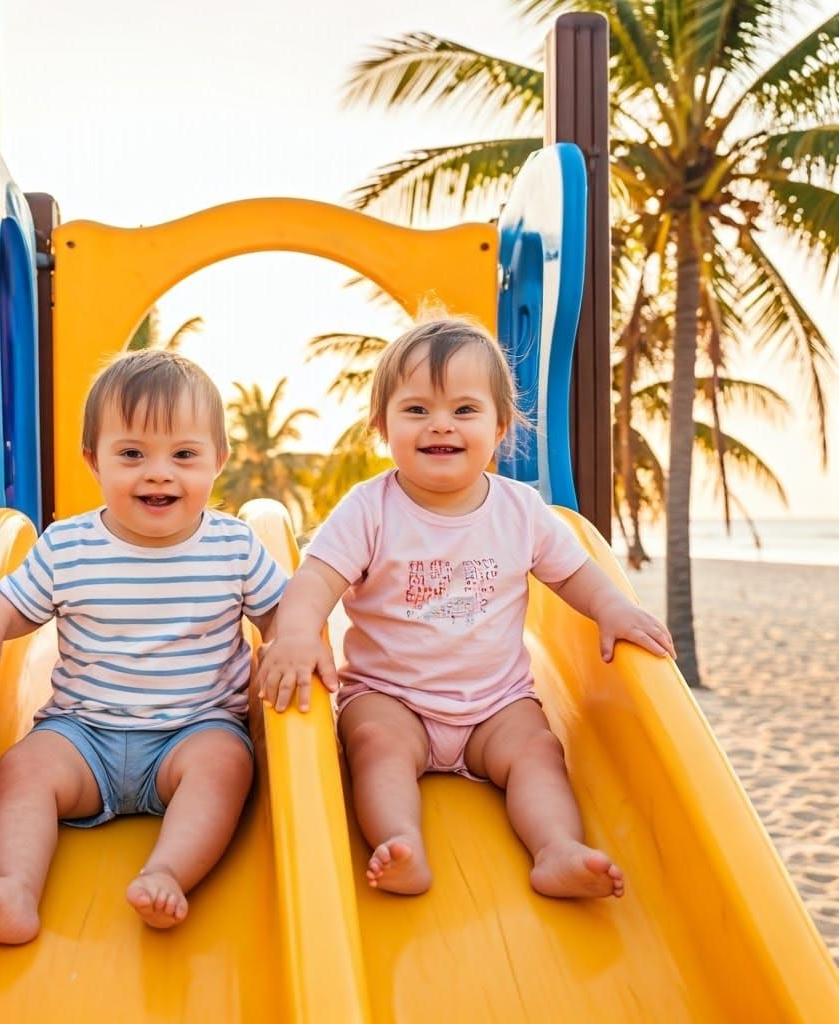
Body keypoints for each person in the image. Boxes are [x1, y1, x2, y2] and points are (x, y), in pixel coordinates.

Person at [256, 317, 674, 900]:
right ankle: (400, 844)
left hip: (496, 704)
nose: (441, 425)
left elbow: (576, 573)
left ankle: (555, 848)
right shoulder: (369, 509)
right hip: (391, 696)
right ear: (383, 426)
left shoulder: (520, 509)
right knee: (374, 747)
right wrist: (298, 634)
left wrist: (611, 606)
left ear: (500, 426)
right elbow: (315, 580)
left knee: (538, 752)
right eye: (417, 410)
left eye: (465, 410)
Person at [0, 349, 286, 943]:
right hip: (81, 736)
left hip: (192, 734)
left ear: (218, 461)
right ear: (94, 461)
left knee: (227, 767)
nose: (159, 473)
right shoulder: (68, 546)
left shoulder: (234, 547)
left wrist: (295, 641)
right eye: (133, 454)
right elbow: (17, 605)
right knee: (21, 769)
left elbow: (280, 615)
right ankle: (14, 886)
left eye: (185, 455)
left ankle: (168, 871)